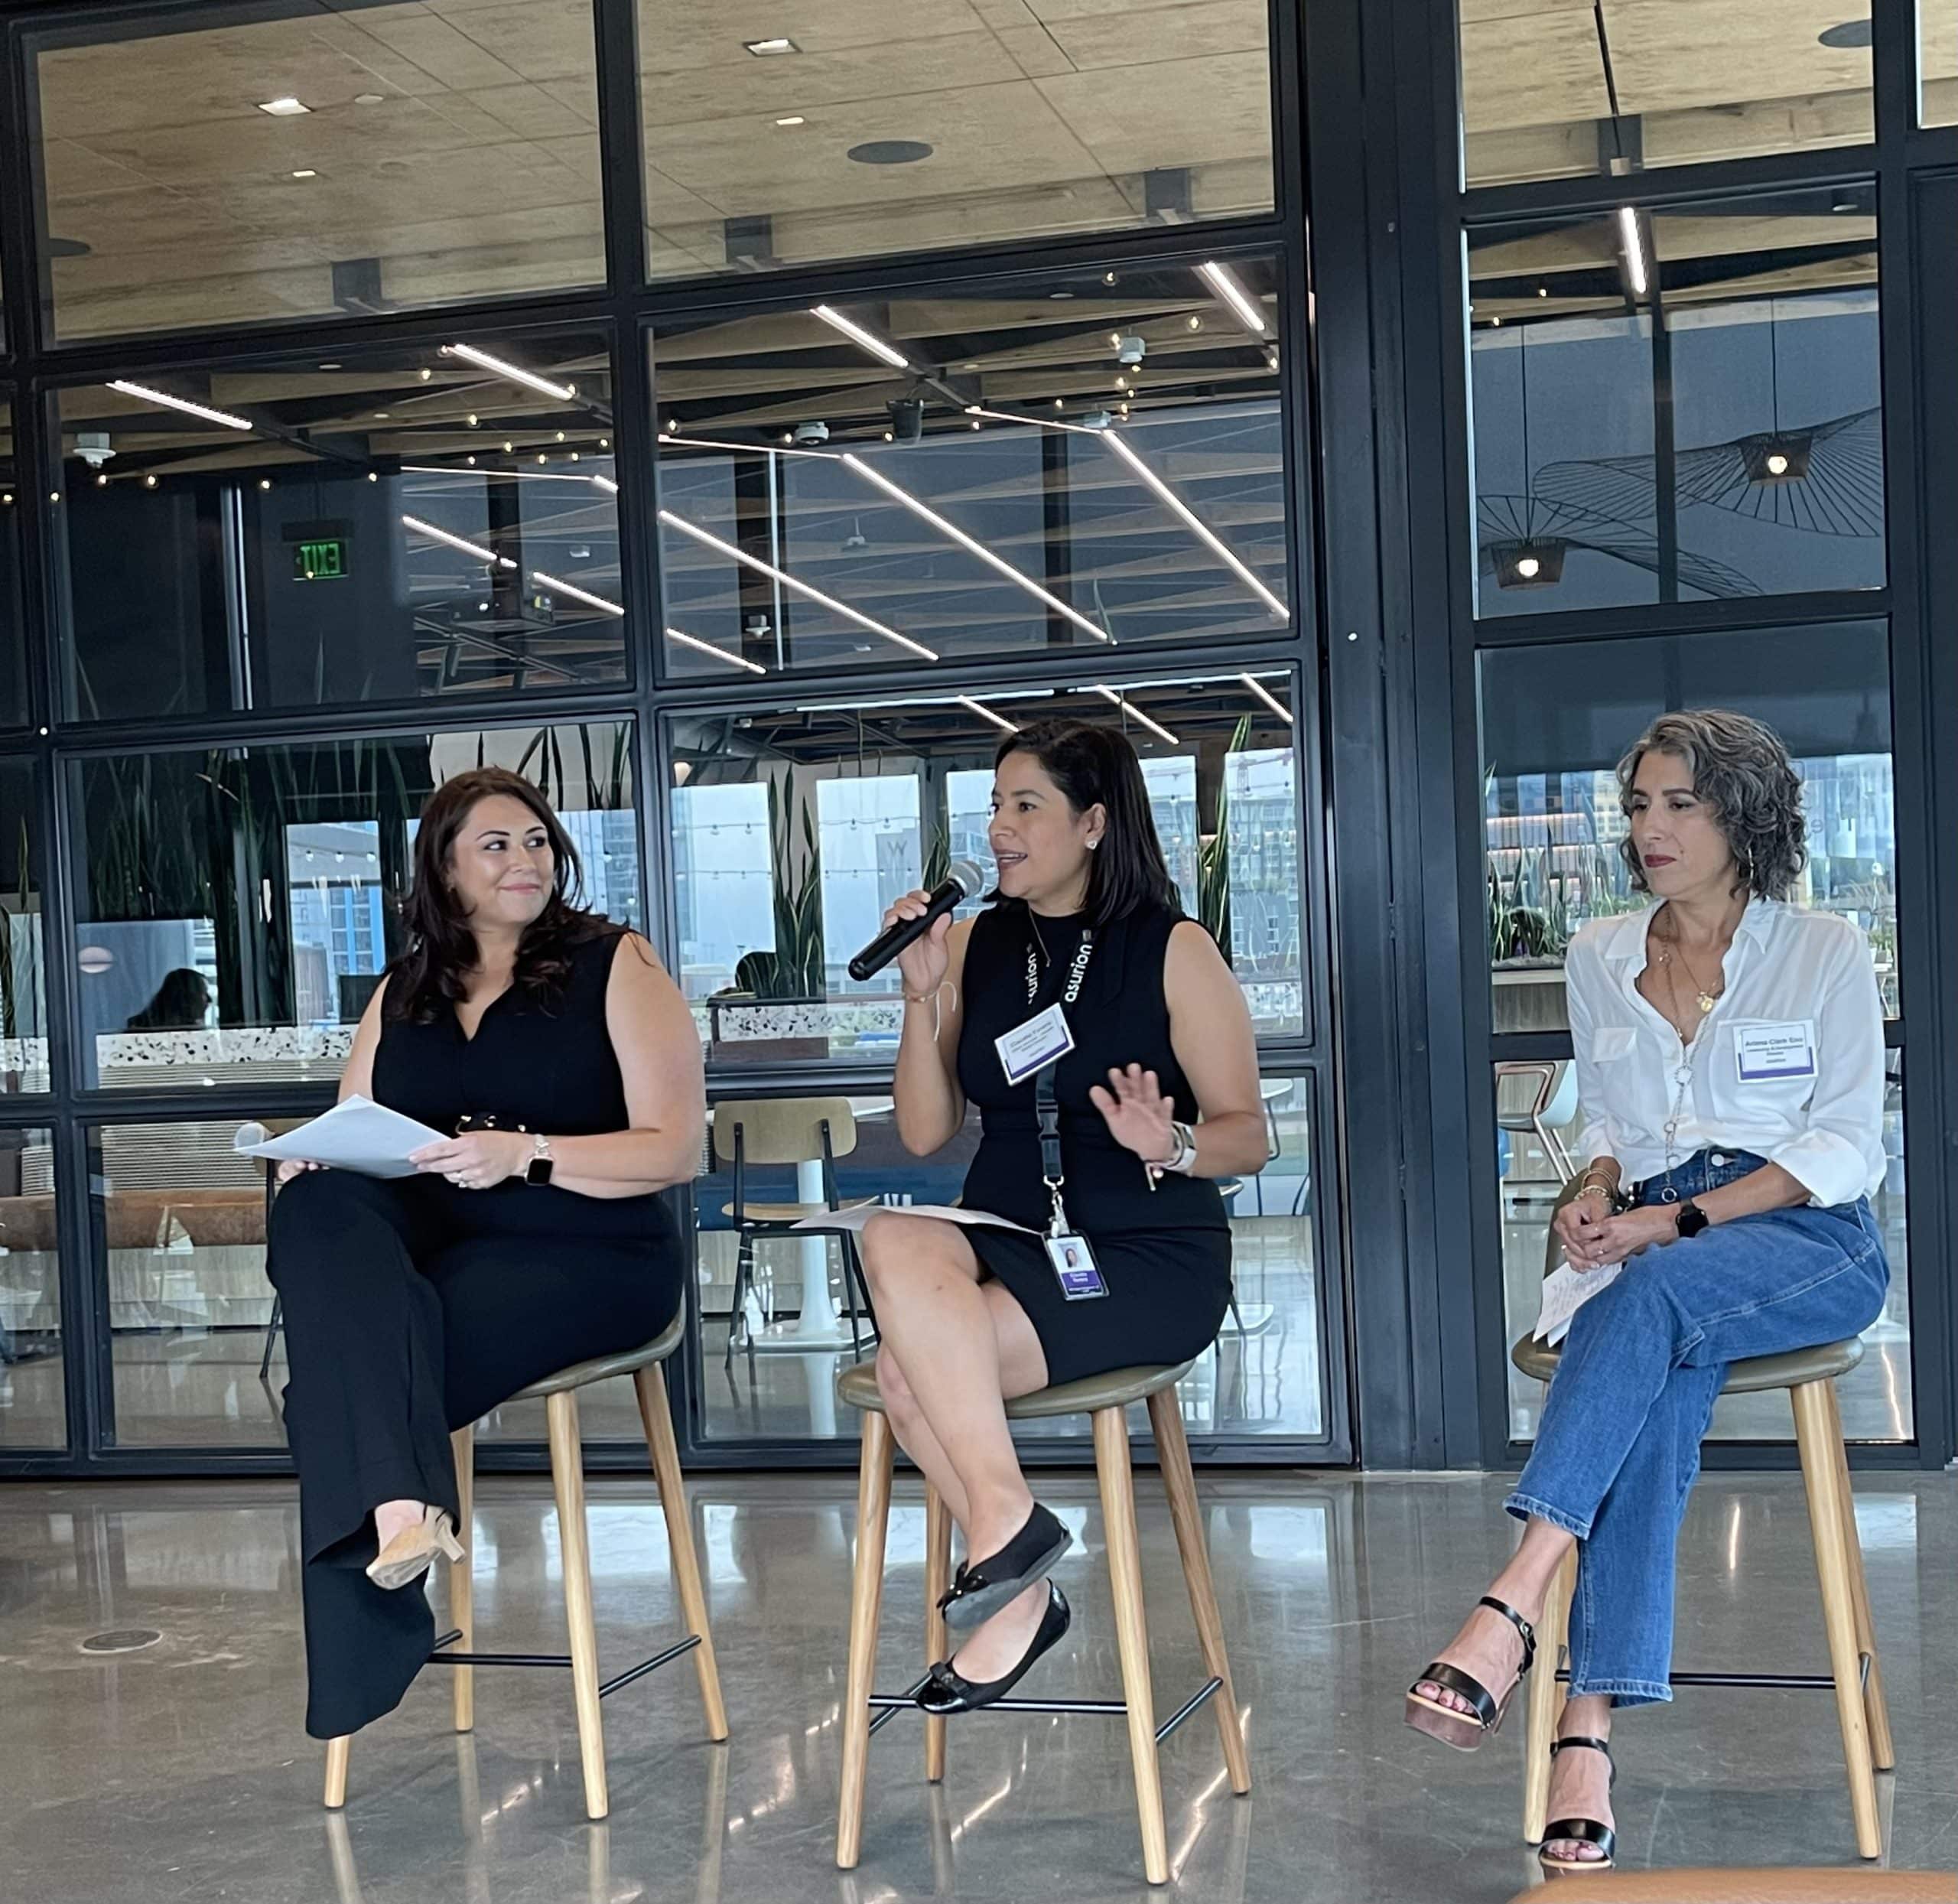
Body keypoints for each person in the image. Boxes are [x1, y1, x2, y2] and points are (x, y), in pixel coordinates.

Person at [1405, 710, 1889, 1876]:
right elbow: (1612, 1124)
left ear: (1746, 816)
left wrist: (1667, 1223)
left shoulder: (1822, 949)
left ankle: (1517, 1599)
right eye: (1638, 806)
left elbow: (1844, 1142)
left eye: (1680, 804)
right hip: (1654, 1232)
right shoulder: (1598, 953)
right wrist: (1595, 1189)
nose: (1651, 829)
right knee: (1649, 1358)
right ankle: (1586, 1729)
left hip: (1802, 1230)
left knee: (1649, 1299)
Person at [266, 766, 704, 1743]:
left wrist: (531, 1154)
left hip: (588, 1248)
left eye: (537, 839)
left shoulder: (614, 962)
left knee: (334, 1390)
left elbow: (676, 1148)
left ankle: (389, 1514)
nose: (526, 859)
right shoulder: (404, 986)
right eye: (497, 844)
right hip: (444, 1239)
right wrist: (310, 1156)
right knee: (316, 1205)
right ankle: (398, 1513)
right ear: (446, 870)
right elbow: (354, 1124)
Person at [864, 719, 1267, 1714]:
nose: (999, 827)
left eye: (1025, 805)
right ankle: (1013, 1533)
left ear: (1093, 823)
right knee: (885, 1231)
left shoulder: (1173, 948)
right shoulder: (979, 942)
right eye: (995, 805)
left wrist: (1168, 1144)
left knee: (903, 1376)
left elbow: (1247, 1135)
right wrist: (921, 997)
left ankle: (1020, 1585)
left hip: (1142, 1251)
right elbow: (924, 1132)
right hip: (1010, 1239)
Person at [125, 967, 210, 1030]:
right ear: (188, 998)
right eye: (203, 993)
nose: (210, 1000)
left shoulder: (197, 1034)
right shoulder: (139, 1030)